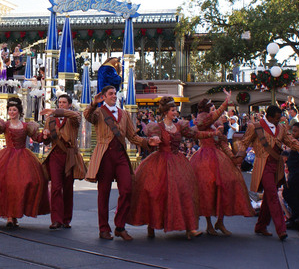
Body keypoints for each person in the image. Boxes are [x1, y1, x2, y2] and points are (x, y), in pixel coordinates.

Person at [129, 96, 220, 239]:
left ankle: (190, 228)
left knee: (185, 191)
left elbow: (195, 134)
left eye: (175, 110)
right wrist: (154, 140)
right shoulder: (156, 127)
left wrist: (212, 133)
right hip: (160, 162)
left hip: (178, 162)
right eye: (172, 110)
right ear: (165, 112)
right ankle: (152, 224)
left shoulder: (180, 126)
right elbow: (151, 139)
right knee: (156, 192)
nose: (175, 112)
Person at [84, 86, 159, 241]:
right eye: (110, 94)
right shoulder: (98, 112)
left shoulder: (124, 114)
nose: (114, 96)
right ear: (103, 97)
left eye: (114, 94)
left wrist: (147, 142)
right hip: (104, 156)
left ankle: (120, 226)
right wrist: (93, 103)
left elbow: (132, 136)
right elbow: (87, 116)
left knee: (127, 189)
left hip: (120, 156)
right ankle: (103, 228)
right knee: (103, 194)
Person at [236, 105, 299, 240]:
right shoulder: (255, 126)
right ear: (269, 116)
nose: (278, 120)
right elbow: (244, 142)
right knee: (272, 195)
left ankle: (261, 226)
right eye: (276, 118)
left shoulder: (281, 128)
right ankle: (281, 229)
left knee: (269, 197)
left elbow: (291, 142)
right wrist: (240, 156)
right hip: (262, 165)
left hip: (277, 166)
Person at [0, 97, 49, 227]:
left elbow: (37, 138)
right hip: (7, 158)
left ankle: (15, 214)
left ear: (19, 111)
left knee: (24, 184)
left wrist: (45, 135)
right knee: (5, 185)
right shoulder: (5, 125)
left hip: (23, 158)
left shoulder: (26, 126)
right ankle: (9, 216)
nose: (12, 112)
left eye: (14, 110)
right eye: (10, 110)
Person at [190, 92, 254, 237]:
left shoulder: (215, 125)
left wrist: (233, 157)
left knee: (225, 187)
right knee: (206, 190)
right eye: (212, 108)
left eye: (214, 109)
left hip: (218, 158)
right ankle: (209, 224)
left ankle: (220, 221)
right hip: (203, 160)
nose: (214, 111)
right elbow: (204, 123)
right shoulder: (202, 121)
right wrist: (226, 101)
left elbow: (223, 143)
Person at [39, 94, 86, 229]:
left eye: (64, 102)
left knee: (68, 188)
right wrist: (45, 136)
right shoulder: (51, 119)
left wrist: (55, 111)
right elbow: (46, 140)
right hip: (55, 155)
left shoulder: (74, 117)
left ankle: (66, 219)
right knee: (55, 187)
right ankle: (56, 219)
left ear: (69, 104)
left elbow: (75, 116)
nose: (61, 105)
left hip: (69, 155)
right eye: (59, 102)